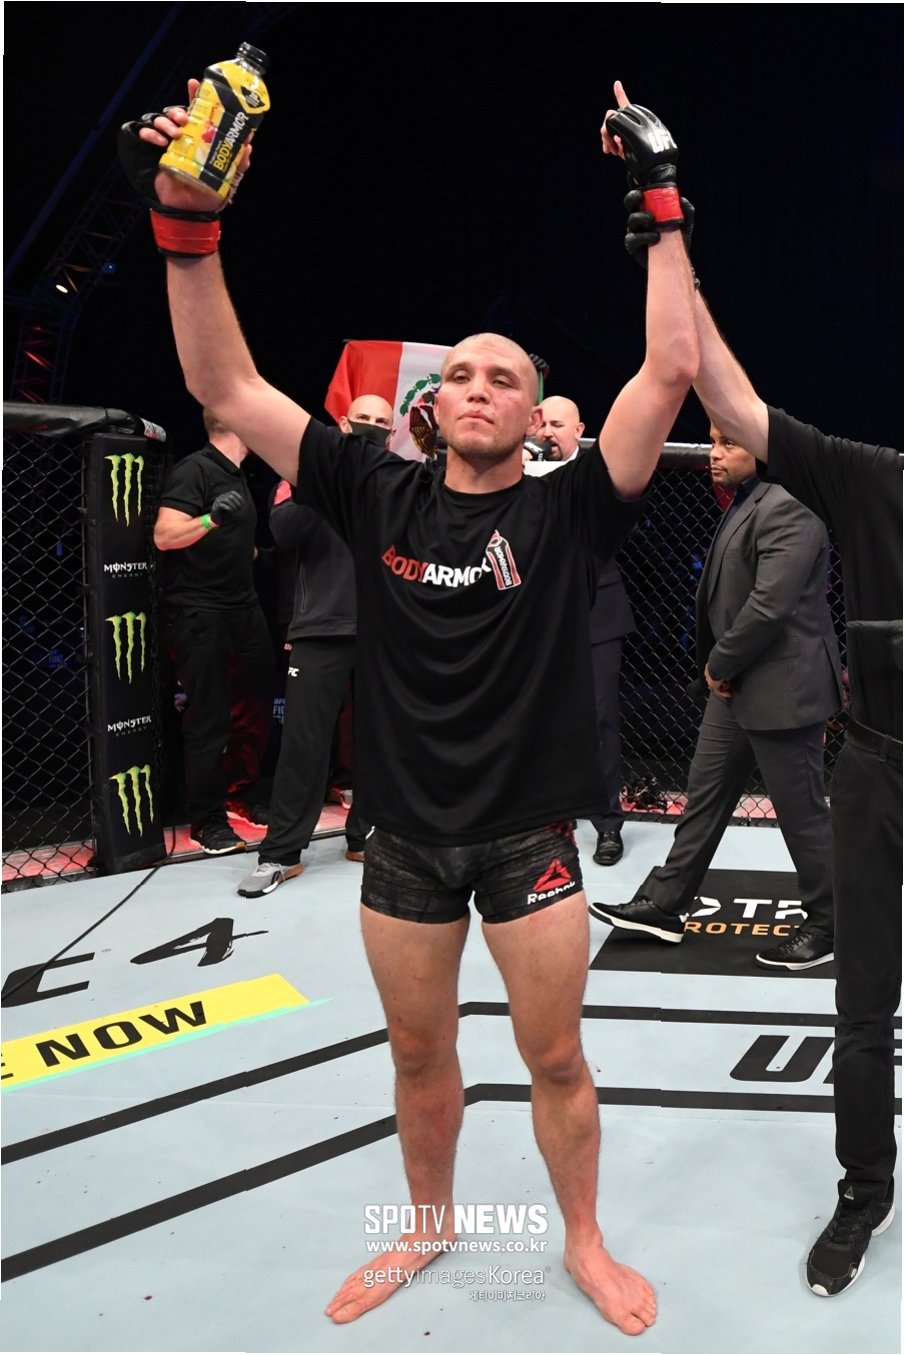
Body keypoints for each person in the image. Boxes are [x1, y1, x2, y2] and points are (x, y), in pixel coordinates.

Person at [120, 82, 698, 1337]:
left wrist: (658, 201)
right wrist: (187, 226)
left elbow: (669, 367)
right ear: (431, 407)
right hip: (400, 838)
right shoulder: (372, 488)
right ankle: (427, 1223)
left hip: (527, 835)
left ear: (531, 411)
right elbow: (225, 382)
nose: (481, 386)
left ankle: (583, 1240)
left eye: (506, 376)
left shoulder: (567, 507)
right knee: (418, 1055)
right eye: (463, 374)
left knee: (555, 1057)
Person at [604, 80, 902, 1300]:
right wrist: (662, 209)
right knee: (860, 1003)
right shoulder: (871, 479)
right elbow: (720, 390)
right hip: (879, 771)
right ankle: (861, 1190)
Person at [588, 423, 842, 968]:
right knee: (704, 798)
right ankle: (665, 903)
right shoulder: (750, 498)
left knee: (802, 814)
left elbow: (770, 605)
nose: (714, 454)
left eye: (728, 442)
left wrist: (719, 664)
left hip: (781, 688)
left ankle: (832, 923)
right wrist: (723, 669)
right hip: (737, 684)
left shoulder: (791, 504)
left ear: (763, 449)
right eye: (711, 441)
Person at [236, 395, 392, 898]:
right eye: (364, 420)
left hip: (384, 630)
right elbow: (284, 530)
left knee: (381, 740)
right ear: (342, 424)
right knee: (304, 743)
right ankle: (281, 853)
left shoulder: (393, 480)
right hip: (320, 627)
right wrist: (333, 478)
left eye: (381, 424)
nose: (371, 428)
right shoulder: (302, 476)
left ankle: (366, 836)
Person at [154, 408, 275, 855]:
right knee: (210, 716)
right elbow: (165, 536)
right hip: (199, 611)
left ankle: (241, 793)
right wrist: (210, 520)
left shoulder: (238, 473)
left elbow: (232, 543)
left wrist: (263, 555)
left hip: (243, 607)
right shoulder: (196, 470)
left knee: (256, 704)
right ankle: (206, 820)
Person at [535, 396, 636, 866]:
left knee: (598, 718)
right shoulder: (517, 471)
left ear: (579, 430)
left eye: (558, 424)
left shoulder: (599, 471)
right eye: (542, 424)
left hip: (596, 609)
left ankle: (607, 822)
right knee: (539, 718)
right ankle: (548, 816)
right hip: (537, 615)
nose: (548, 432)